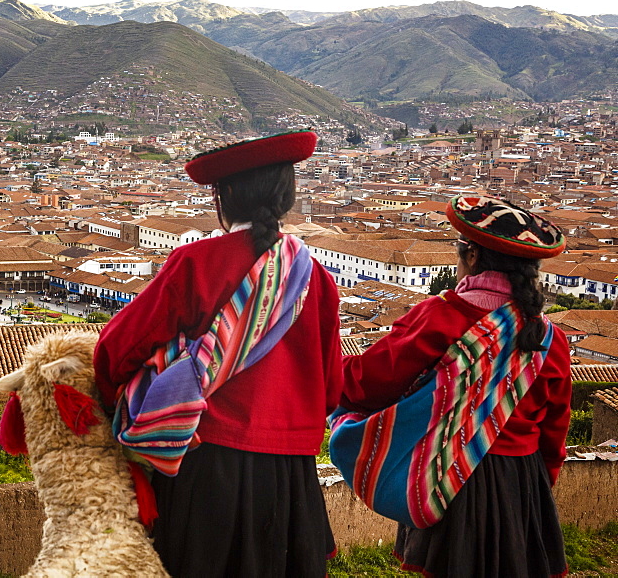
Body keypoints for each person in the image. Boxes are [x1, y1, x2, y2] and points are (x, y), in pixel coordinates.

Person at [94, 130, 342, 578]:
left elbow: (118, 348)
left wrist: (133, 398)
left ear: (225, 197)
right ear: (286, 195)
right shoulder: (316, 279)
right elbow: (331, 386)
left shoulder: (195, 263)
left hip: (207, 464)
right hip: (290, 473)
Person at [339, 195, 571, 577]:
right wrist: (535, 487)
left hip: (449, 474)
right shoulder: (549, 339)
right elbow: (554, 431)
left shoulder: (441, 317)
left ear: (473, 257)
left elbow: (368, 383)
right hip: (521, 482)